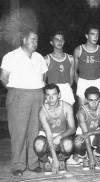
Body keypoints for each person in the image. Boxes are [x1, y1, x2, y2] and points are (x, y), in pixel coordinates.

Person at [0, 29, 48, 176]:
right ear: (24, 40)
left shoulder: (39, 57)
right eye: (33, 39)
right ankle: (18, 165)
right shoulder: (11, 56)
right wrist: (16, 91)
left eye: (37, 40)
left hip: (37, 94)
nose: (36, 43)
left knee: (34, 130)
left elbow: (44, 76)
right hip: (18, 94)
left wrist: (36, 90)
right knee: (18, 132)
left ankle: (33, 163)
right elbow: (3, 78)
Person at [33, 84, 76, 175]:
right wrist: (54, 159)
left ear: (59, 95)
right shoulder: (42, 111)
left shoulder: (67, 107)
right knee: (38, 144)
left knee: (68, 144)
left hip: (61, 135)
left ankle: (61, 159)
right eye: (48, 95)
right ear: (45, 96)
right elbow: (49, 135)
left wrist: (60, 136)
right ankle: (46, 161)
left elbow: (72, 128)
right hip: (47, 136)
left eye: (54, 94)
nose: (51, 98)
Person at [74, 86, 100, 171]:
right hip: (83, 132)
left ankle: (97, 155)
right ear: (86, 100)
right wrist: (90, 158)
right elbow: (85, 135)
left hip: (95, 131)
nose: (94, 103)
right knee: (77, 142)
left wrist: (90, 133)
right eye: (91, 100)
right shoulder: (81, 112)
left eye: (96, 100)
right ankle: (84, 157)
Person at [74, 24, 100, 106]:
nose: (95, 37)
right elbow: (74, 71)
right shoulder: (78, 50)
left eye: (97, 34)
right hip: (83, 82)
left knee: (99, 111)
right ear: (86, 36)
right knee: (82, 111)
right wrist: (80, 83)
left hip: (97, 81)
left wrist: (97, 81)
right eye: (92, 34)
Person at [44, 30, 75, 105]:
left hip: (66, 89)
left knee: (68, 114)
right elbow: (43, 80)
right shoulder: (46, 59)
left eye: (61, 39)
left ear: (64, 42)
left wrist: (66, 88)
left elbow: (71, 78)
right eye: (57, 39)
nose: (59, 41)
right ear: (51, 42)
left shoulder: (70, 58)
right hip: (52, 90)